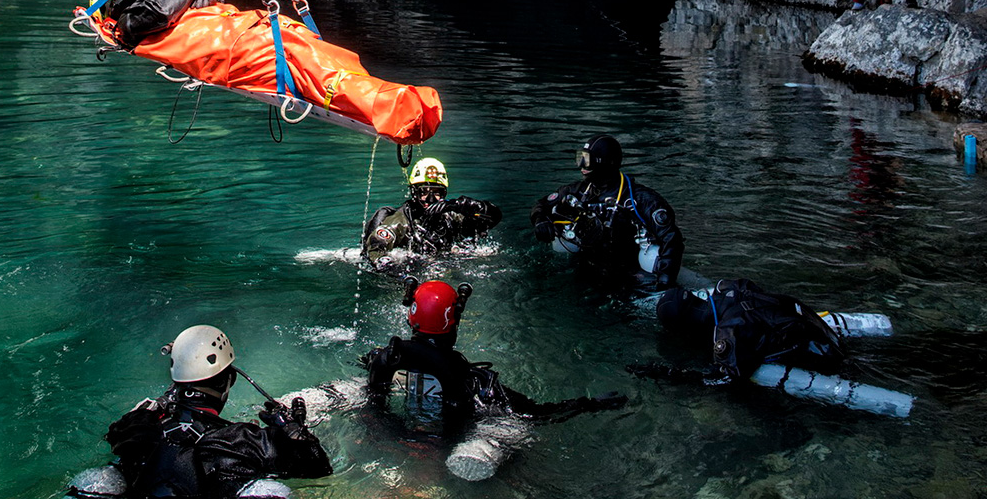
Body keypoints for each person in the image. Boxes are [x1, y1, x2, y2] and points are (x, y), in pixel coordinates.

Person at [106, 323, 332, 499]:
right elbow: (318, 467)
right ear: (228, 381)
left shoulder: (139, 432)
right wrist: (292, 429)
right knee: (268, 490)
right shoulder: (244, 440)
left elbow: (116, 434)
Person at [361, 278, 627, 427]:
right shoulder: (477, 382)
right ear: (453, 320)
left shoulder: (385, 359)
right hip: (449, 445)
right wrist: (589, 404)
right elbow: (538, 414)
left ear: (412, 317)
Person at [629, 278, 845, 388]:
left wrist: (668, 375)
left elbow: (726, 379)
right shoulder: (733, 288)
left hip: (825, 356)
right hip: (817, 326)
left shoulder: (727, 335)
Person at [530, 135, 683, 288]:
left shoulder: (642, 200)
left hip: (631, 271)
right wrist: (540, 220)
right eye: (580, 158)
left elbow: (671, 238)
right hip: (586, 265)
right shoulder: (578, 191)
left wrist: (665, 281)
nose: (581, 165)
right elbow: (542, 205)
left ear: (606, 162)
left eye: (587, 160)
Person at [363, 157, 501, 261]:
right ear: (414, 193)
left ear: (444, 194)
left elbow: (493, 218)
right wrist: (399, 272)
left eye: (436, 192)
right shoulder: (400, 222)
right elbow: (376, 250)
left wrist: (462, 205)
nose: (430, 199)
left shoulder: (450, 216)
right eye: (424, 192)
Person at [88, 0, 221, 50]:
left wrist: (201, 0)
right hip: (226, 41)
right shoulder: (129, 21)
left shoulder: (143, 12)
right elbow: (164, 12)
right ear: (112, 7)